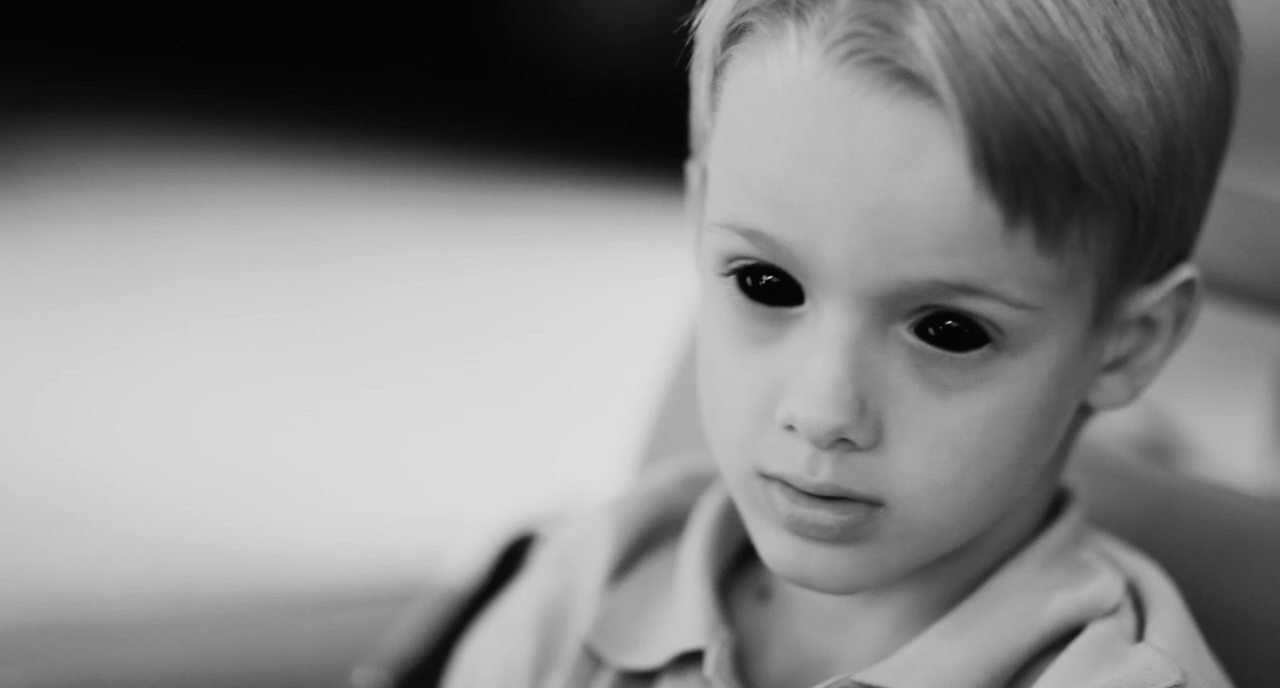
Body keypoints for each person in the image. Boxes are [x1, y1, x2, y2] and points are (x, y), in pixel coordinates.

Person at [442, 0, 1242, 686]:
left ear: (1127, 346)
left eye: (948, 331)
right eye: (767, 283)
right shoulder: (586, 578)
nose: (822, 411)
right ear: (699, 221)